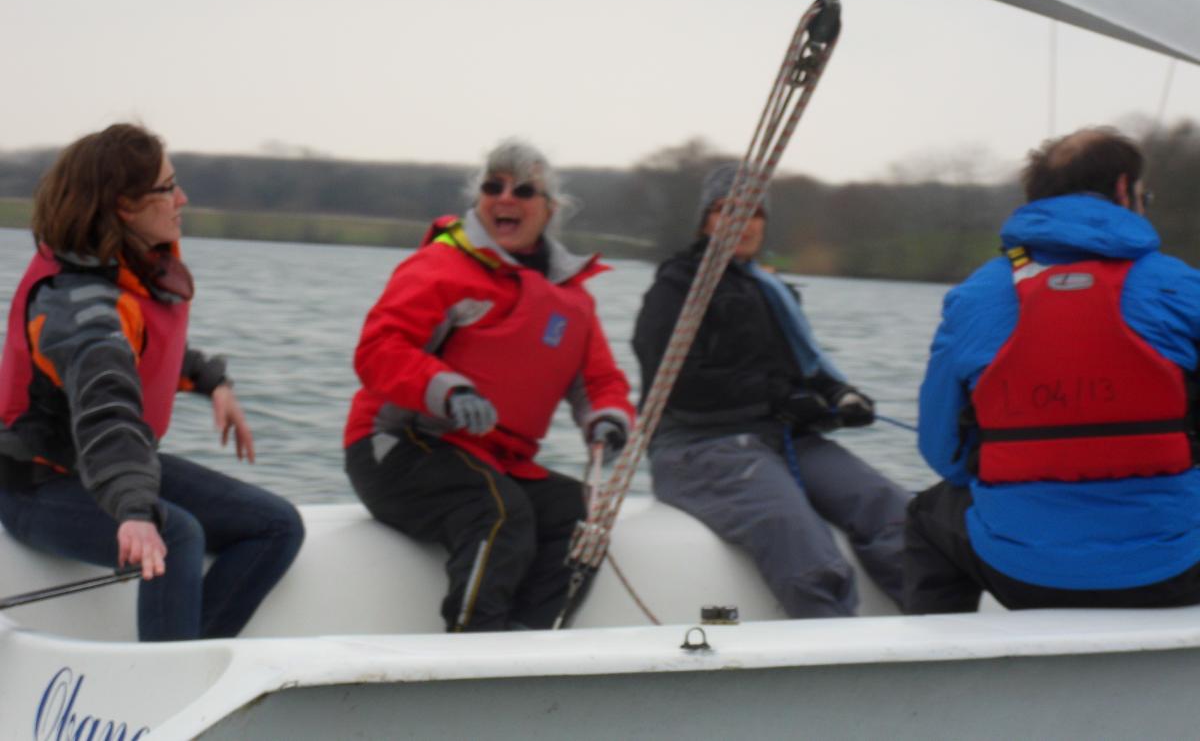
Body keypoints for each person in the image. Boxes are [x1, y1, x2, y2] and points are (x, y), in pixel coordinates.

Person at [0, 123, 304, 642]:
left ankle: (189, 664)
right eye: (168, 188)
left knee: (276, 525)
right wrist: (135, 510)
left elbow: (149, 352)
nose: (182, 199)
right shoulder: (76, 305)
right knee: (175, 535)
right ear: (125, 205)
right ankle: (170, 680)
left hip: (107, 470)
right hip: (38, 486)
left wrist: (213, 382)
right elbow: (107, 409)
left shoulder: (126, 272)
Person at [906, 126, 1200, 613]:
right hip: (1175, 571)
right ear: (1124, 189)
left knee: (925, 515)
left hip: (1020, 574)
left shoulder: (975, 297)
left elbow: (942, 453)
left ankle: (941, 656)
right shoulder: (1184, 288)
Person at [343, 139, 634, 632]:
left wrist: (607, 418)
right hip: (397, 448)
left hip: (493, 461)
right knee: (497, 512)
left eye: (523, 190)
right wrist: (448, 389)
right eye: (492, 187)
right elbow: (379, 350)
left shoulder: (572, 299)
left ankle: (526, 642)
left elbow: (598, 381)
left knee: (582, 516)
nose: (505, 198)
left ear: (549, 209)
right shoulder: (441, 267)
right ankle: (472, 645)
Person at [632, 163, 908, 617]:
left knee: (891, 510)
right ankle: (834, 646)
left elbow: (804, 368)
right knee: (799, 540)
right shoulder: (678, 288)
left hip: (781, 439)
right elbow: (676, 383)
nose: (744, 222)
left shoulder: (771, 290)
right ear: (705, 220)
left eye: (755, 212)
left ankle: (933, 634)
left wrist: (840, 398)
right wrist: (777, 398)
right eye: (727, 209)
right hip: (699, 447)